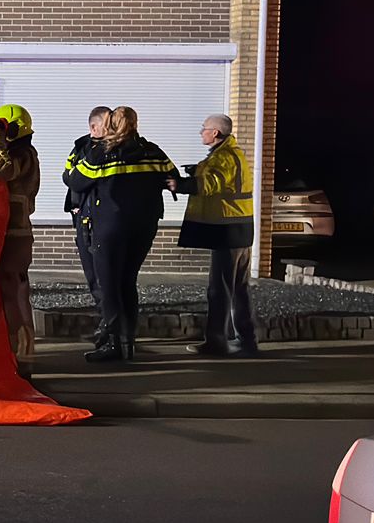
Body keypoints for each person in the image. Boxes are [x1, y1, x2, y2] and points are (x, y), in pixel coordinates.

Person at [66, 105, 176, 364]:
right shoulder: (152, 151)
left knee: (109, 285)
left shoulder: (103, 153)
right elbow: (170, 177)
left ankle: (113, 344)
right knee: (127, 281)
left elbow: (76, 181)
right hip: (144, 226)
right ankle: (128, 343)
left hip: (111, 227)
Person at [177, 113, 257, 357]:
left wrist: (177, 185)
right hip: (240, 229)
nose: (201, 132)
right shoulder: (232, 153)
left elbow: (211, 184)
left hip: (227, 231)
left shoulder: (224, 156)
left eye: (204, 128)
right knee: (239, 288)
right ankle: (247, 340)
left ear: (215, 133)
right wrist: (196, 171)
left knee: (219, 289)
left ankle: (216, 343)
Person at [0, 104, 41, 378]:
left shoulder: (24, 155)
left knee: (14, 299)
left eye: (5, 129)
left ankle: (22, 363)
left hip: (15, 237)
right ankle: (14, 359)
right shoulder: (22, 153)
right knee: (9, 297)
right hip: (7, 235)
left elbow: (2, 169)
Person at [62, 106, 111, 347]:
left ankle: (109, 330)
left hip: (103, 222)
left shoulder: (115, 148)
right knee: (95, 279)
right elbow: (69, 176)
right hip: (85, 221)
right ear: (94, 127)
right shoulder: (82, 147)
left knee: (105, 279)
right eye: (107, 124)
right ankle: (107, 327)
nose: (112, 129)